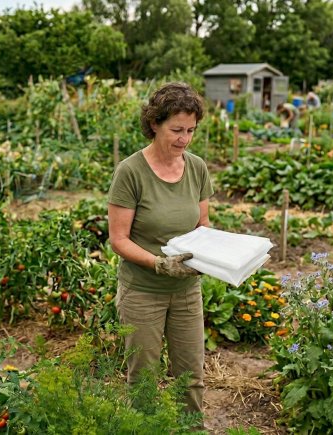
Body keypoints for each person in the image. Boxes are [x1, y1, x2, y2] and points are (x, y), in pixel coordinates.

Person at [107, 82, 212, 419]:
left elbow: (203, 223)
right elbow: (118, 239)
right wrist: (159, 263)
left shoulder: (196, 168)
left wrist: (217, 253)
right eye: (176, 130)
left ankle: (190, 427)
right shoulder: (130, 172)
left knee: (190, 376)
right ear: (154, 123)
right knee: (144, 379)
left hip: (186, 290)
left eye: (190, 131)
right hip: (143, 292)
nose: (184, 139)